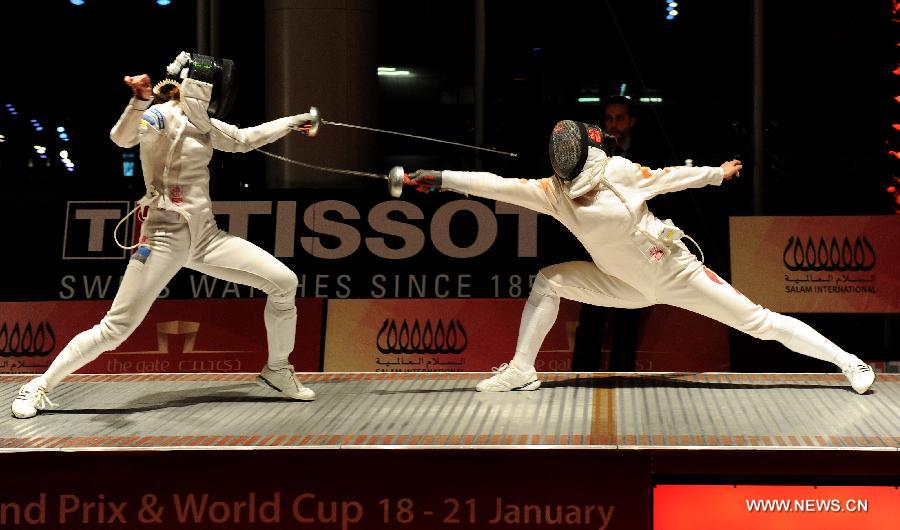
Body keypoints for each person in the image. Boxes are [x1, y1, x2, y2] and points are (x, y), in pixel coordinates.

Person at [405, 119, 876, 394]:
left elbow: (671, 176)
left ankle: (849, 361)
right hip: (622, 285)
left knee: (757, 321)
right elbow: (494, 184)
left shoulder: (619, 174)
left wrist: (716, 173)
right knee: (549, 279)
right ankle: (523, 370)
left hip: (674, 271)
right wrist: (441, 178)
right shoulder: (554, 192)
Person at [12, 52, 317, 419]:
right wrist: (139, 102)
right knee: (116, 328)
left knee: (284, 282)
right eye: (209, 88)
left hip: (206, 237)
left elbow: (243, 139)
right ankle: (38, 386)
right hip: (162, 238)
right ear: (196, 86)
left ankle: (277, 370)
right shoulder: (159, 116)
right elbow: (121, 137)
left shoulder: (204, 125)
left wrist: (292, 122)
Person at [573, 96, 655, 371]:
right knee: (592, 318)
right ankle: (580, 378)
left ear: (631, 121)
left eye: (620, 118)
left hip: (635, 251)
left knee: (628, 321)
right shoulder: (594, 155)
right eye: (609, 118)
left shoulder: (647, 154)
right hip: (599, 247)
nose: (614, 124)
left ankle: (624, 378)